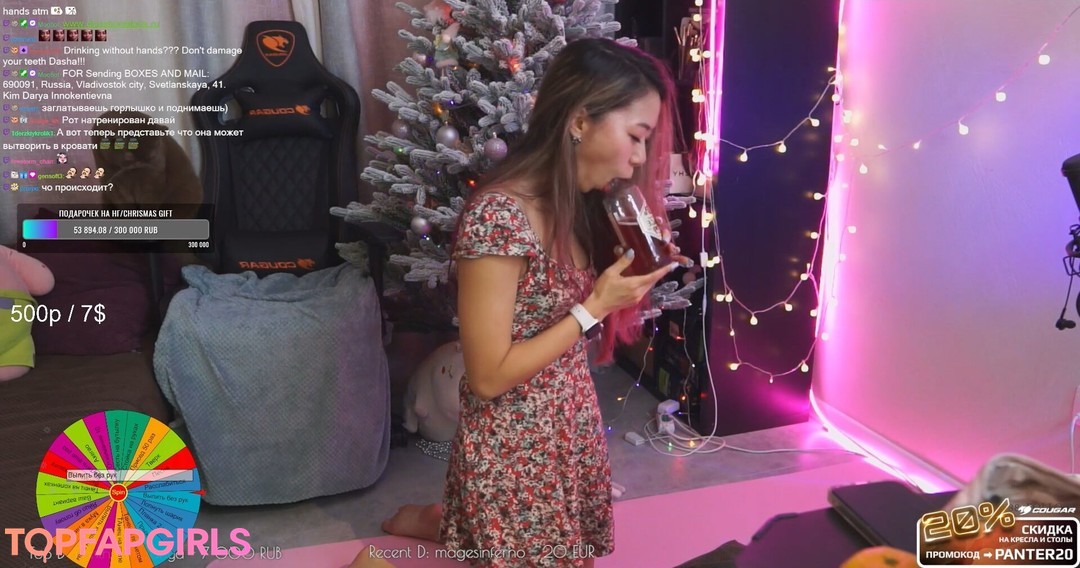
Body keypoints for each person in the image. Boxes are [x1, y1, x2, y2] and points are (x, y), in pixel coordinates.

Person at [374, 37, 687, 567]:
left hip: (568, 422)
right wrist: (594, 307)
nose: (638, 159)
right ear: (580, 121)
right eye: (636, 137)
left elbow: (564, 307)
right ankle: (440, 523)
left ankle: (445, 520)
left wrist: (636, 272)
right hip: (513, 447)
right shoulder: (499, 216)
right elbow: (487, 377)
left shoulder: (582, 206)